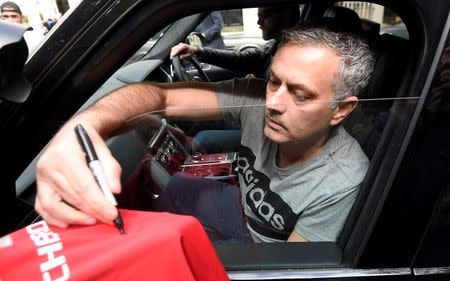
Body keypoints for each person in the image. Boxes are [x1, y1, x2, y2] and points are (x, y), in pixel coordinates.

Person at [34, 25, 374, 243]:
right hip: (239, 205)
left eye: (300, 95)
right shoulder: (256, 98)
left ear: (341, 109)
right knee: (180, 186)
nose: (273, 102)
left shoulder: (342, 180)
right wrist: (86, 126)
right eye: (274, 80)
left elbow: (290, 269)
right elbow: (162, 98)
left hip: (259, 250)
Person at [171, 6, 300, 79]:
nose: (258, 22)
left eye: (264, 16)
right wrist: (197, 50)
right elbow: (243, 59)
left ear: (286, 14)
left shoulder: (295, 55)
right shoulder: (276, 46)